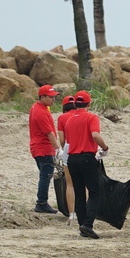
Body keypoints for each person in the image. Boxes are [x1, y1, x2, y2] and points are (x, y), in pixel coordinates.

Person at [65, 90, 109, 239]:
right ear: (89, 104)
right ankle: (88, 224)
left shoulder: (69, 120)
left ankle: (82, 225)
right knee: (94, 192)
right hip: (86, 157)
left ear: (75, 104)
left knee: (79, 193)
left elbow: (68, 141)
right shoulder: (91, 117)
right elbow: (95, 135)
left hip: (72, 158)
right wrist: (105, 148)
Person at [29, 84, 63, 214]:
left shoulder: (37, 107)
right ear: (42, 97)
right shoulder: (41, 112)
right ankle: (41, 203)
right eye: (51, 97)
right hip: (43, 148)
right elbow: (49, 133)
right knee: (46, 175)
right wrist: (58, 149)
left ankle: (42, 202)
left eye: (54, 97)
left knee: (45, 174)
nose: (54, 100)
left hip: (37, 147)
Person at [57, 95, 78, 225]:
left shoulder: (62, 118)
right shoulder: (81, 116)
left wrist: (63, 149)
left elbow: (62, 139)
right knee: (84, 184)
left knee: (70, 184)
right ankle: (84, 213)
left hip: (68, 148)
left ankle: (72, 215)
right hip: (83, 148)